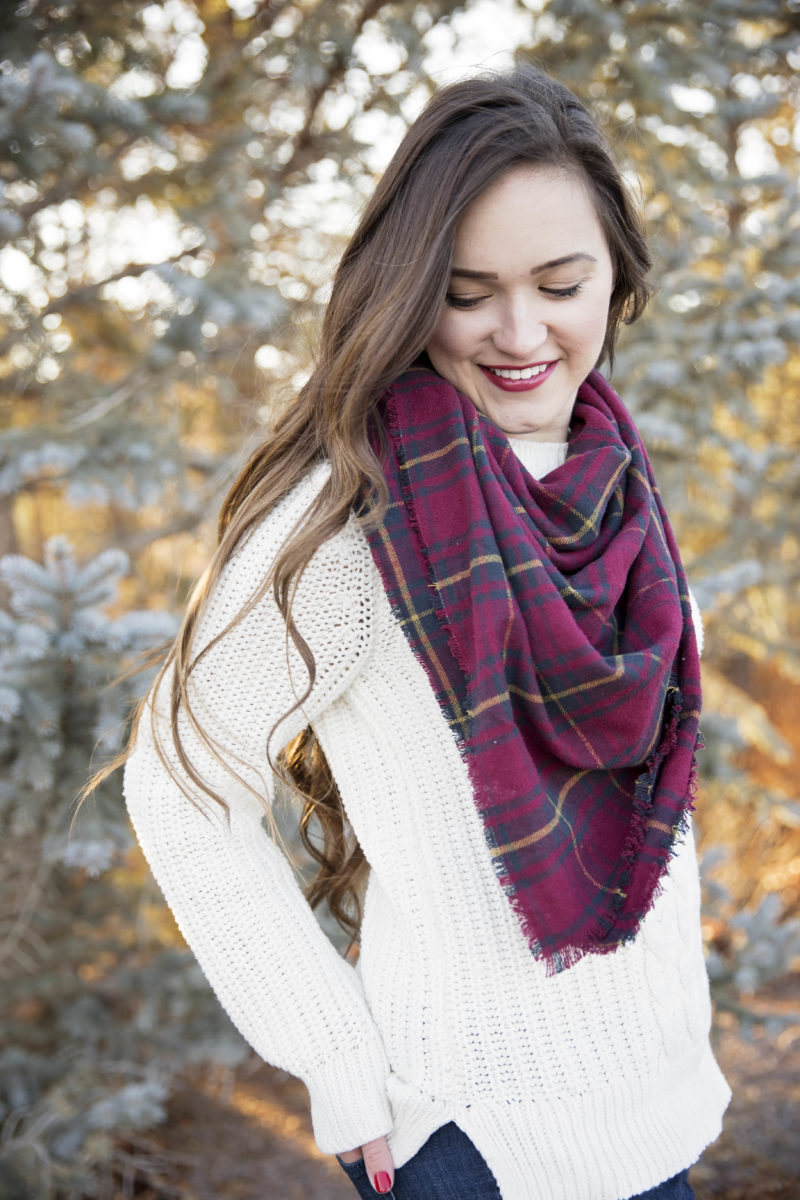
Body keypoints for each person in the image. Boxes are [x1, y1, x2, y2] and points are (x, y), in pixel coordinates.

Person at [122, 65, 731, 1200]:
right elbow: (178, 784)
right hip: (472, 1143)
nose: (519, 332)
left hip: (655, 1118)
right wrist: (337, 1060)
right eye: (466, 292)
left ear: (615, 280)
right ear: (409, 294)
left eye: (560, 283)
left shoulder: (612, 482)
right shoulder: (346, 525)